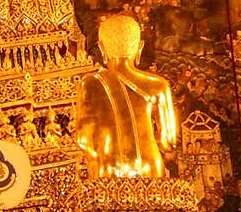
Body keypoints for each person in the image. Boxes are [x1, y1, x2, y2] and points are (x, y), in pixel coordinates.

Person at [75, 13, 178, 179]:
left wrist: (93, 169)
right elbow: (168, 141)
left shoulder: (90, 83)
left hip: (108, 167)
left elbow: (84, 140)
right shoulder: (159, 85)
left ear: (102, 48)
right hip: (149, 167)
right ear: (140, 48)